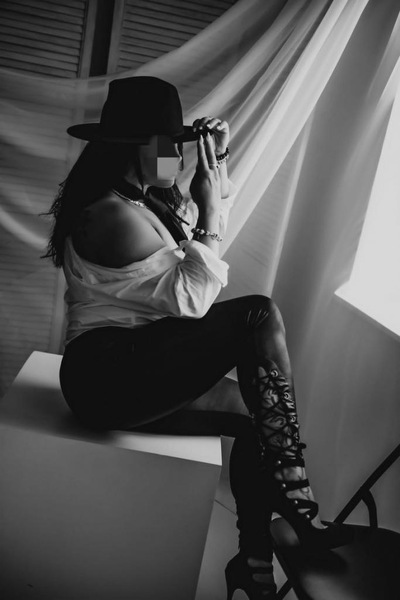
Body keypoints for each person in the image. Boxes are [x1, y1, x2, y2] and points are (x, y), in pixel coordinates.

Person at [44, 76, 351, 600]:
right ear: (138, 147)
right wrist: (209, 213)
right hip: (106, 377)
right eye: (170, 145)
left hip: (138, 365)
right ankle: (296, 494)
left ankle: (253, 559)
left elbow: (191, 227)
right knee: (257, 314)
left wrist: (220, 158)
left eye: (183, 146)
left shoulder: (139, 202)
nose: (180, 157)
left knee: (257, 414)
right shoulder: (112, 215)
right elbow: (192, 302)